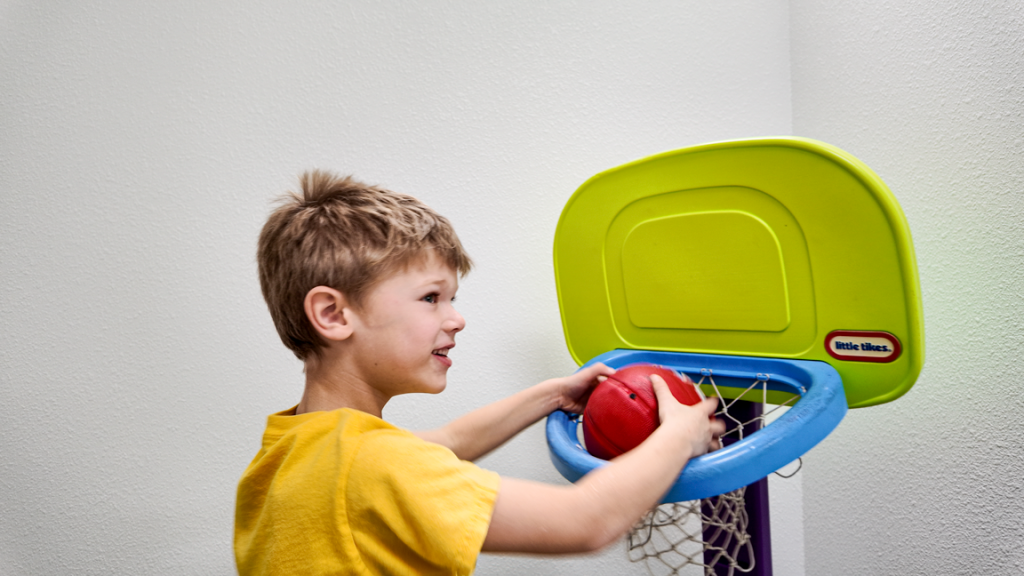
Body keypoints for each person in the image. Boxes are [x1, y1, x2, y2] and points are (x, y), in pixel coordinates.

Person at [234, 171, 724, 575]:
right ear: (333, 314)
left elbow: (448, 441)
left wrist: (552, 395)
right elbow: (586, 520)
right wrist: (680, 435)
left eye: (452, 298)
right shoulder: (374, 465)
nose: (456, 319)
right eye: (431, 297)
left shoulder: (292, 452)